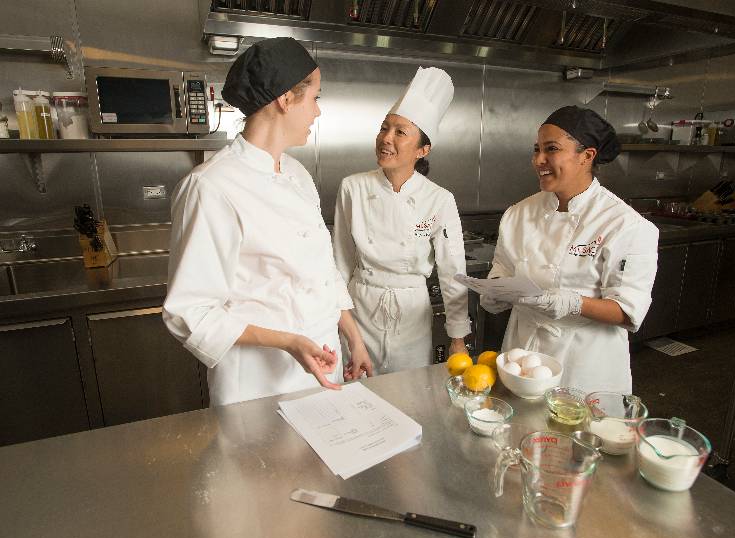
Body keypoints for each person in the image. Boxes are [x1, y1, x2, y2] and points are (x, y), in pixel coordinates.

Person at [163, 38, 372, 406]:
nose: (317, 112)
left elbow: (321, 271)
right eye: (315, 99)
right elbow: (188, 312)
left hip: (324, 366)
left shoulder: (297, 174)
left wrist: (353, 337)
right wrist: (287, 341)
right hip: (259, 383)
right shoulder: (212, 187)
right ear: (285, 99)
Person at [481, 105, 659, 394]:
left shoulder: (624, 224)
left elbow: (628, 311)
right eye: (536, 149)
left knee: (576, 435)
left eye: (551, 149)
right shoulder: (518, 213)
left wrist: (575, 303)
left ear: (586, 156)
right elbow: (502, 268)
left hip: (584, 361)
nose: (539, 160)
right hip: (522, 355)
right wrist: (495, 291)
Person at [333, 67, 471, 373]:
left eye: (400, 132)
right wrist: (335, 323)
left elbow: (452, 273)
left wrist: (458, 338)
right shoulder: (353, 187)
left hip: (412, 315)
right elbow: (340, 264)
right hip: (360, 309)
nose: (386, 139)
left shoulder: (440, 199)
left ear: (423, 150)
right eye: (384, 128)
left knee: (408, 396)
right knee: (356, 396)